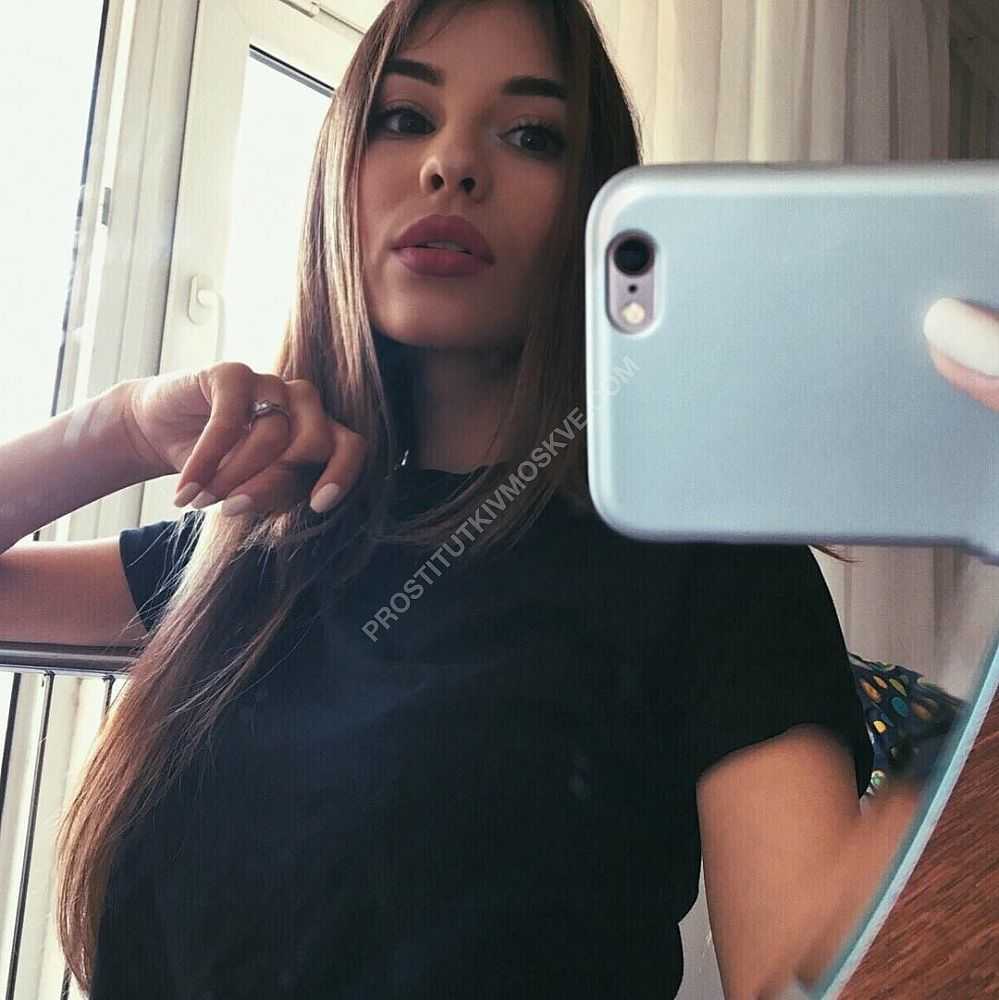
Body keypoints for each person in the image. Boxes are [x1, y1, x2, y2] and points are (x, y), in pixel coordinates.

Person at [0, 0, 994, 997]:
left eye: (530, 135)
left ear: (598, 211)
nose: (452, 165)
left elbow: (809, 979)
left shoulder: (710, 564)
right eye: (405, 118)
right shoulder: (255, 545)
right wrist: (124, 428)